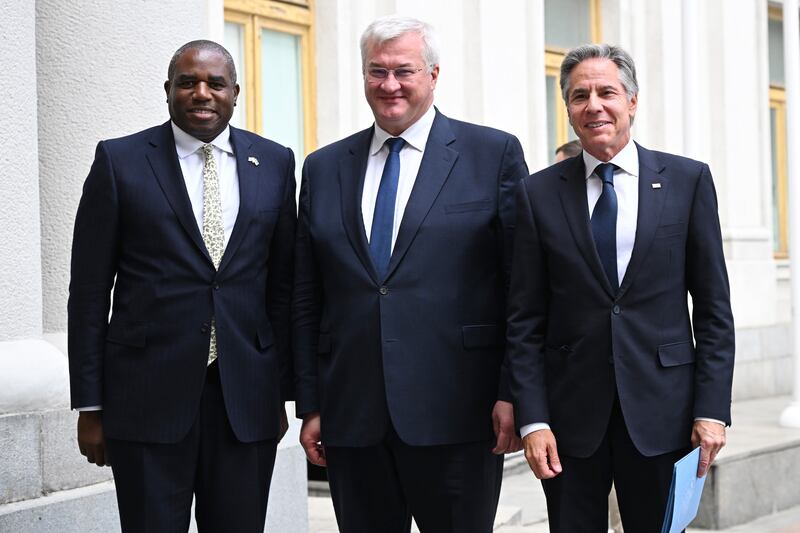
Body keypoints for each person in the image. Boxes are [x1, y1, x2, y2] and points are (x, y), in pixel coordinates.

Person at [292, 15, 528, 533]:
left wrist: (515, 393)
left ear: (434, 74)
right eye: (377, 72)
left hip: (461, 414)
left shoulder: (493, 155)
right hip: (353, 417)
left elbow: (521, 288)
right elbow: (307, 297)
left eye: (405, 71)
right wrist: (310, 403)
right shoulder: (323, 167)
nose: (390, 85)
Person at [68, 40, 296, 532]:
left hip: (245, 402)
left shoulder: (275, 164)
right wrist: (90, 405)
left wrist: (280, 393)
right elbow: (88, 293)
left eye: (215, 83)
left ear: (236, 92)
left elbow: (281, 288)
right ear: (167, 91)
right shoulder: (120, 160)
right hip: (145, 399)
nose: (201, 93)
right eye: (187, 82)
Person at [507, 43, 735, 532]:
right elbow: (524, 318)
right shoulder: (537, 194)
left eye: (606, 92)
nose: (594, 105)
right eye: (578, 95)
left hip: (664, 413)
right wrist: (533, 419)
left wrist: (712, 409)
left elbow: (714, 309)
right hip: (568, 422)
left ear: (631, 101)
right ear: (567, 110)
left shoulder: (687, 181)